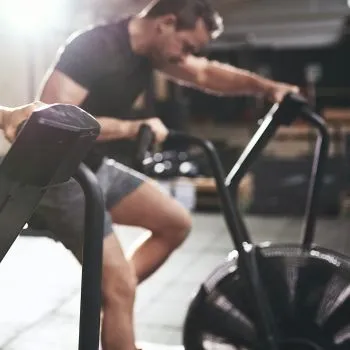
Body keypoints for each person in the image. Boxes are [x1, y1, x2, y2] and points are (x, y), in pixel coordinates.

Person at [36, 0, 300, 349]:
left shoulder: (151, 53)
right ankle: (116, 293)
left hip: (96, 167)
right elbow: (51, 121)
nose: (185, 57)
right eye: (186, 46)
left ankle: (115, 290)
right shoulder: (94, 47)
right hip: (60, 175)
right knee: (118, 287)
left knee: (174, 222)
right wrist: (132, 128)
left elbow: (206, 74)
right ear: (166, 23)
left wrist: (268, 89)